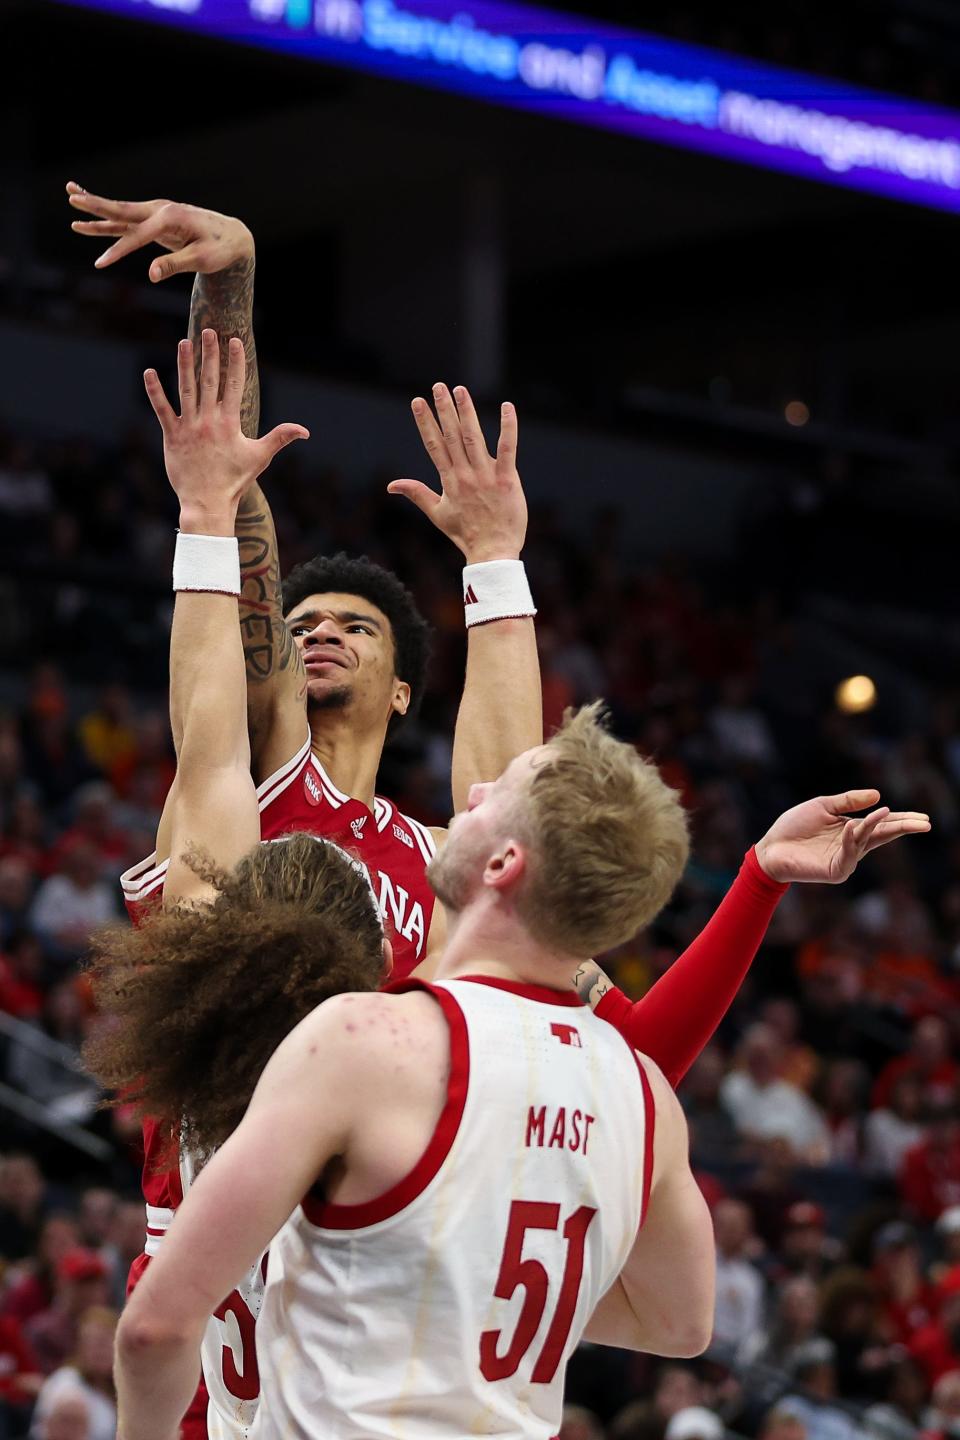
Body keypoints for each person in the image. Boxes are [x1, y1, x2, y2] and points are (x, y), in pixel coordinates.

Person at [115, 697, 715, 1440]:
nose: (474, 791)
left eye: (502, 792)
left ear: (503, 864)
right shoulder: (646, 1097)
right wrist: (461, 1282)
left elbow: (156, 1330)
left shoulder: (368, 1042)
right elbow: (682, 1324)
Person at [83, 333, 389, 1440]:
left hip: (304, 1319)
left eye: (354, 626)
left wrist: (207, 515)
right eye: (305, 625)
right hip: (252, 1326)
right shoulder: (255, 798)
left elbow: (207, 738)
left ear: (403, 687)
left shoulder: (444, 850)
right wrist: (212, 511)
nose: (318, 639)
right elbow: (219, 716)